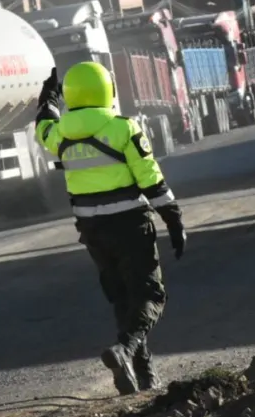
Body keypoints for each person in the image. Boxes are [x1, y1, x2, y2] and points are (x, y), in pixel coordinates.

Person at [35, 63, 186, 395]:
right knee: (149, 296)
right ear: (107, 90)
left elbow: (43, 124)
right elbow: (150, 175)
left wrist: (47, 95)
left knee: (121, 299)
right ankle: (125, 351)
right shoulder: (123, 128)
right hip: (131, 224)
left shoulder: (59, 134)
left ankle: (141, 376)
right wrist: (172, 218)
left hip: (92, 231)